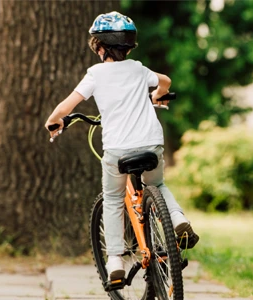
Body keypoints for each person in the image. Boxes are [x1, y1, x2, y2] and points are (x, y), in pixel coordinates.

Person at [44, 11, 200, 284]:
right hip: (151, 143)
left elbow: (67, 106)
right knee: (159, 186)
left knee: (114, 199)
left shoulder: (95, 74)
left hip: (118, 149)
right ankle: (176, 220)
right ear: (128, 46)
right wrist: (158, 94)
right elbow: (165, 81)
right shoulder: (139, 69)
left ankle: (115, 259)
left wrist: (54, 121)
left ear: (100, 47)